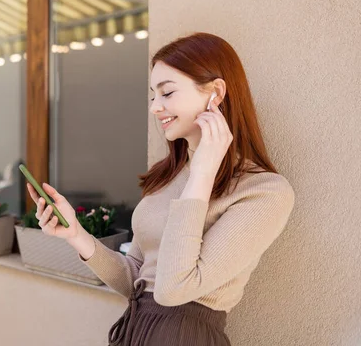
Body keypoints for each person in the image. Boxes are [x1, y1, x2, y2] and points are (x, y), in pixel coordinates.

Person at [26, 33, 295, 346]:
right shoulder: (166, 177)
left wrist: (204, 172)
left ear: (216, 93)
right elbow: (137, 280)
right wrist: (75, 234)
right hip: (136, 331)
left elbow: (172, 290)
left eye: (167, 93)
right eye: (153, 95)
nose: (155, 107)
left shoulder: (264, 192)